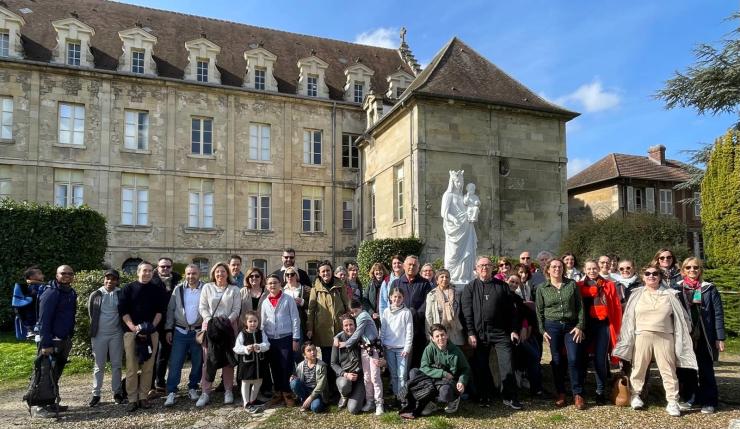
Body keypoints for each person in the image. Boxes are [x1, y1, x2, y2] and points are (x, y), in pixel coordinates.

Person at [613, 263, 697, 417]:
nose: (651, 276)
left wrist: (687, 330)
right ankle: (635, 395)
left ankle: (672, 401)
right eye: (648, 274)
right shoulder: (636, 293)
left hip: (665, 336)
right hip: (642, 335)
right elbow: (628, 317)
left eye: (655, 274)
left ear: (660, 277)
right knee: (638, 367)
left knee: (668, 370)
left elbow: (682, 316)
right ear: (643, 277)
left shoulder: (671, 294)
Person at [461, 256, 522, 410]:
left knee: (506, 364)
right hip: (480, 334)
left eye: (487, 265)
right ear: (476, 268)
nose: (484, 268)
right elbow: (467, 313)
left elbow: (512, 312)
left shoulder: (502, 286)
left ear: (492, 268)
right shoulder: (470, 287)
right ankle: (484, 395)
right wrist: (470, 333)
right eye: (481, 265)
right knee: (481, 366)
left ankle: (509, 396)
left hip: (500, 332)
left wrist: (514, 330)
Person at [675, 257, 726, 414]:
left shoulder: (709, 289)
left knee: (705, 369)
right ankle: (690, 398)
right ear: (683, 270)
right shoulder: (676, 289)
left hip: (705, 335)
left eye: (695, 267)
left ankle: (709, 401)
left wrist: (720, 337)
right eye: (688, 267)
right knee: (686, 369)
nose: (692, 270)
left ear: (700, 270)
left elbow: (718, 314)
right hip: (685, 336)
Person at [535, 258, 585, 409]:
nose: (557, 269)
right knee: (556, 360)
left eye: (560, 266)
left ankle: (578, 393)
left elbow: (580, 307)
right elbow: (539, 312)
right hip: (552, 327)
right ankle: (561, 393)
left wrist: (580, 325)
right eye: (554, 267)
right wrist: (542, 330)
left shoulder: (572, 285)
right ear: (548, 270)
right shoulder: (542, 288)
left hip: (571, 326)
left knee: (574, 358)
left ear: (563, 269)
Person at [119, 261, 169, 412]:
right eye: (144, 270)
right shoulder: (128, 289)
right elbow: (123, 311)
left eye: (149, 271)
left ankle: (143, 397)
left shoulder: (157, 290)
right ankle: (132, 399)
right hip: (131, 333)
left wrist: (151, 328)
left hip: (151, 333)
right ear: (138, 272)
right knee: (132, 367)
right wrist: (134, 329)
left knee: (148, 367)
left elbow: (160, 311)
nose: (147, 273)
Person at [33, 265, 78, 418]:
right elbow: (44, 320)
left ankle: (50, 402)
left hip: (63, 339)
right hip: (50, 341)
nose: (67, 276)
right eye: (63, 273)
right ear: (56, 275)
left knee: (55, 374)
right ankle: (40, 407)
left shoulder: (70, 292)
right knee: (45, 373)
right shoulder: (51, 292)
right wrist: (46, 344)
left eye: (70, 273)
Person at [400, 324, 471, 418]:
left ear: (447, 335)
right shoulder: (429, 349)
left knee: (445, 393)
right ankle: (430, 403)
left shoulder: (456, 351)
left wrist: (462, 381)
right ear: (432, 338)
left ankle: (454, 399)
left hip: (448, 381)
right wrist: (443, 373)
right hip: (432, 379)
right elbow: (424, 367)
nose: (440, 338)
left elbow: (465, 369)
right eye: (437, 336)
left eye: (442, 335)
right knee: (414, 372)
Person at [577, 260, 622, 405]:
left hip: (602, 326)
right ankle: (581, 391)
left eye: (594, 268)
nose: (592, 271)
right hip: (584, 326)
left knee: (600, 360)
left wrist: (617, 328)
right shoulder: (578, 286)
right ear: (584, 270)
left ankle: (600, 391)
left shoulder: (609, 285)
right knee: (582, 359)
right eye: (589, 269)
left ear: (599, 268)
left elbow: (616, 307)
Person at [196, 262, 241, 407]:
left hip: (228, 327)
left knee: (228, 360)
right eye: (217, 272)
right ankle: (205, 391)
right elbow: (202, 307)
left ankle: (228, 390)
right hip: (210, 328)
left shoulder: (234, 289)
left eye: (222, 272)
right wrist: (211, 321)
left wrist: (226, 322)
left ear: (227, 273)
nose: (220, 274)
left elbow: (236, 309)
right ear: (213, 274)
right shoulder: (207, 288)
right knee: (208, 360)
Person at [163, 264, 204, 407]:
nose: (191, 276)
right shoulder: (178, 289)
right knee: (175, 363)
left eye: (194, 273)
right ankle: (171, 392)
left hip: (198, 332)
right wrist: (168, 329)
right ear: (184, 275)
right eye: (188, 274)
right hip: (180, 331)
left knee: (198, 362)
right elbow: (171, 309)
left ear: (199, 274)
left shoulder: (205, 288)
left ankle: (193, 387)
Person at [337, 299, 383, 415]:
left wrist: (346, 343)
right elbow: (349, 331)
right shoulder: (358, 317)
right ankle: (370, 401)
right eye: (352, 313)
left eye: (355, 311)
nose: (354, 314)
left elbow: (356, 333)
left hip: (372, 349)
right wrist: (336, 336)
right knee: (367, 377)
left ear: (361, 307)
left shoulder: (363, 316)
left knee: (375, 378)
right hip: (364, 349)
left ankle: (379, 404)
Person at [260, 274, 300, 408]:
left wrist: (296, 338)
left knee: (286, 366)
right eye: (270, 283)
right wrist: (264, 340)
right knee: (275, 366)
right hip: (271, 339)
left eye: (275, 283)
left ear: (280, 284)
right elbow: (263, 323)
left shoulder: (288, 299)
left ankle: (287, 393)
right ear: (266, 286)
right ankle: (278, 392)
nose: (272, 285)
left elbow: (295, 319)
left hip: (286, 337)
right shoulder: (265, 302)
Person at [88, 269, 125, 407]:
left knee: (116, 365)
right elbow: (91, 314)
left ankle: (117, 393)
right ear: (104, 279)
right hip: (99, 335)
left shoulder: (120, 294)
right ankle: (96, 394)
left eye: (113, 279)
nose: (110, 281)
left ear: (117, 281)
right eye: (107, 279)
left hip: (116, 334)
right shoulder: (96, 294)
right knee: (99, 365)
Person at [390, 255, 433, 369]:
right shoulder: (396, 283)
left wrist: (414, 315)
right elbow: (393, 303)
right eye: (409, 264)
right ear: (404, 266)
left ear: (418, 268)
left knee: (417, 358)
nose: (411, 267)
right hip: (400, 328)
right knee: (402, 358)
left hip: (418, 326)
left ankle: (416, 382)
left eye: (414, 265)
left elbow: (427, 303)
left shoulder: (425, 283)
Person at [306, 260, 350, 365]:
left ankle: (339, 380)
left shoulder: (340, 285)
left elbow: (347, 304)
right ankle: (328, 380)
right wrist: (309, 328)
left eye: (328, 270)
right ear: (319, 273)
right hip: (323, 328)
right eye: (323, 271)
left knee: (340, 356)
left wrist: (346, 316)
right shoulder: (315, 288)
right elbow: (311, 310)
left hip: (339, 326)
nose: (326, 273)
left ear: (332, 271)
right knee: (326, 357)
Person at [507, 274, 544, 397]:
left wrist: (525, 326)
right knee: (534, 355)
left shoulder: (516, 298)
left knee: (535, 354)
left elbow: (525, 313)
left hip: (520, 333)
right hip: (507, 334)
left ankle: (536, 387)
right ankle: (536, 388)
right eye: (511, 281)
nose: (513, 284)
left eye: (516, 283)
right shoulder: (501, 296)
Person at [151, 257, 182, 394]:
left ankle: (164, 382)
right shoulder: (151, 281)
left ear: (172, 268)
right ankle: (154, 383)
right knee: (155, 353)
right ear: (157, 268)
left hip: (172, 322)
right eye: (162, 266)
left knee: (168, 353)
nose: (165, 269)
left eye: (168, 267)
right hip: (155, 322)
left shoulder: (176, 281)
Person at [441, 170, 477, 285]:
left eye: (461, 182)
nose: (460, 184)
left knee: (468, 252)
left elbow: (469, 207)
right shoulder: (448, 195)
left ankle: (465, 276)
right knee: (453, 255)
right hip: (454, 229)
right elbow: (444, 213)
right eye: (457, 181)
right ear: (452, 181)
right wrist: (453, 219)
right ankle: (452, 276)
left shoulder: (463, 195)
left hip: (466, 227)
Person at [381, 287, 413, 405]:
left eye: (399, 297)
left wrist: (407, 348)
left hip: (402, 349)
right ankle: (396, 396)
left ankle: (402, 398)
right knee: (393, 374)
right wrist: (382, 345)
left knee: (402, 375)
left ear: (403, 298)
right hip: (389, 347)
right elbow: (383, 329)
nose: (397, 299)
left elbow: (409, 332)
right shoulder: (386, 312)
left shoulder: (406, 312)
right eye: (395, 296)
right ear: (390, 297)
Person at [234, 310, 269, 413]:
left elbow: (267, 345)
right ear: (246, 322)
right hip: (246, 364)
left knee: (258, 381)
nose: (253, 323)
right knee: (246, 382)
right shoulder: (242, 334)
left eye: (255, 321)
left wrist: (260, 346)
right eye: (250, 321)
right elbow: (236, 348)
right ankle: (246, 403)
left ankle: (253, 399)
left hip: (260, 363)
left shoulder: (261, 333)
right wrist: (246, 349)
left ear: (258, 322)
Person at [331, 314, 365, 414]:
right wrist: (345, 374)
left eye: (351, 324)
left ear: (355, 325)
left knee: (353, 409)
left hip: (359, 377)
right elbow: (333, 363)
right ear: (342, 327)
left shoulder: (361, 337)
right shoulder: (338, 340)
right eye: (346, 325)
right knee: (344, 384)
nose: (349, 327)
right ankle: (344, 395)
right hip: (344, 376)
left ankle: (357, 395)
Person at [425, 269, 464, 346]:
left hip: (454, 330)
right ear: (437, 280)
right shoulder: (431, 295)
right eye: (442, 277)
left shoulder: (457, 293)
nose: (444, 279)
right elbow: (428, 316)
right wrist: (429, 333)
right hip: (439, 330)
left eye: (447, 277)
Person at [291, 342, 329, 413]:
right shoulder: (300, 365)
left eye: (314, 349)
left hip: (317, 392)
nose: (312, 352)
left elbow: (321, 385)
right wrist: (293, 377)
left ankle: (307, 402)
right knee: (293, 383)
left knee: (316, 408)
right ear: (304, 354)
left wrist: (311, 397)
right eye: (309, 350)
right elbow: (297, 378)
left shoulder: (322, 365)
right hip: (305, 390)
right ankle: (305, 400)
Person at [12, 267, 44, 339]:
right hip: (35, 317)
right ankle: (31, 331)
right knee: (40, 340)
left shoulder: (36, 285)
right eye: (39, 274)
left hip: (35, 317)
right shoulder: (34, 287)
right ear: (31, 277)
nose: (42, 275)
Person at [282, 266, 309, 345]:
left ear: (297, 276)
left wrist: (303, 302)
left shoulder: (305, 289)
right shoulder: (282, 290)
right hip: (286, 323)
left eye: (292, 274)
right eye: (287, 275)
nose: (290, 276)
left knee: (298, 347)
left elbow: (313, 306)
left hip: (301, 322)